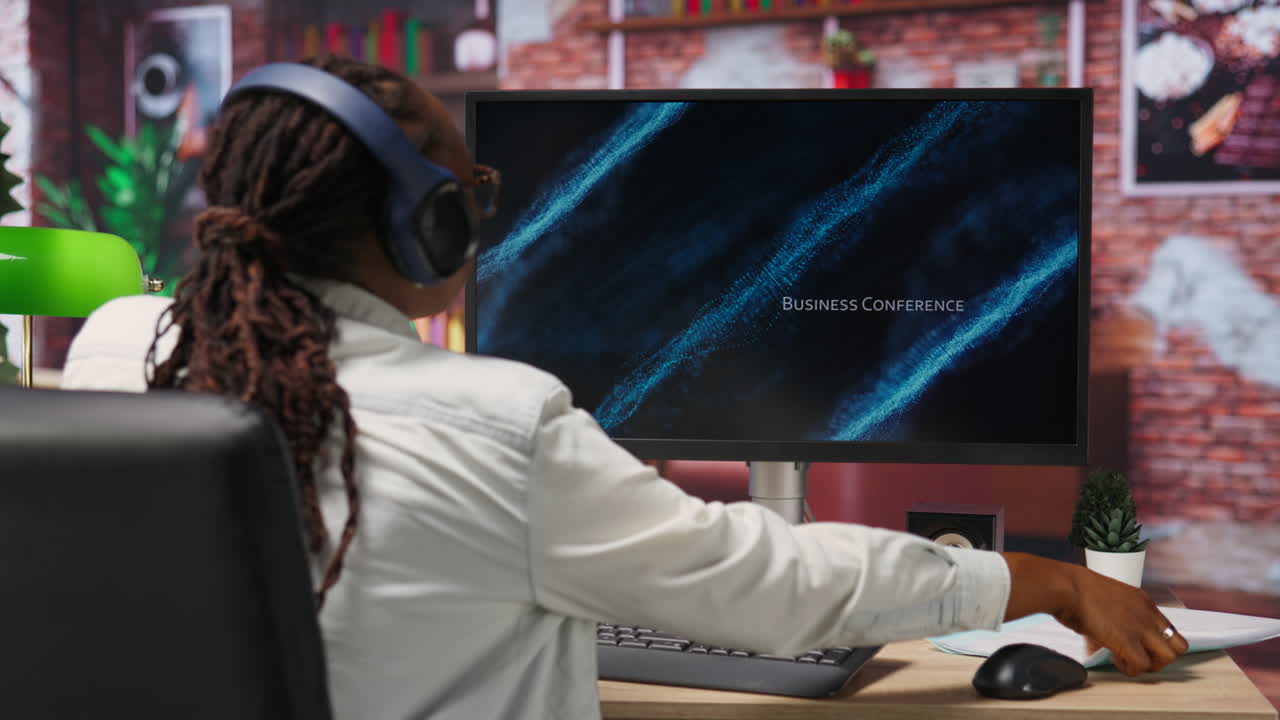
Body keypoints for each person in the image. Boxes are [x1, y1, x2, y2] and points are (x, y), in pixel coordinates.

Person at [62, 56, 1187, 719]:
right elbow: (769, 588)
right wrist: (1031, 579)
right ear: (430, 221)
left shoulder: (112, 358)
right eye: (473, 190)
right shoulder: (494, 428)